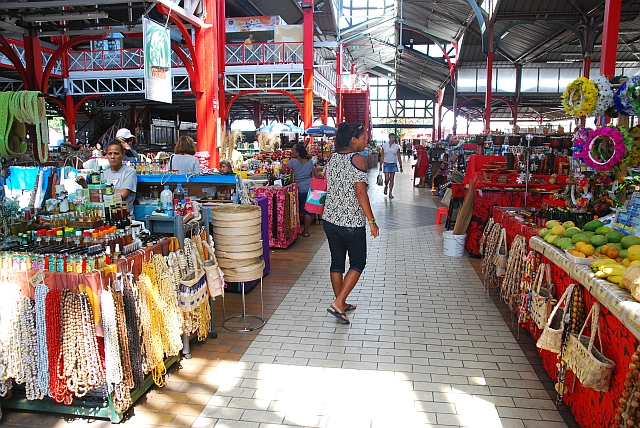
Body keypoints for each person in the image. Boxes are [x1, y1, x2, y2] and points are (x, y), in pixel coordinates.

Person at [324, 122, 379, 325]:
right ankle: (339, 303)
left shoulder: (333, 159)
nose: (366, 140)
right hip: (350, 223)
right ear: (353, 140)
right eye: (363, 137)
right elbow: (361, 192)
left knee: (337, 262)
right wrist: (372, 221)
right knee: (358, 262)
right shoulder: (358, 159)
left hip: (330, 220)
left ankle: (341, 303)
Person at [77, 140, 137, 212]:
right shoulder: (104, 173)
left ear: (123, 155)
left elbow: (123, 193)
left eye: (116, 154)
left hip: (124, 216)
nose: (112, 157)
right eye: (110, 154)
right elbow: (96, 194)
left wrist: (102, 191)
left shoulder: (129, 172)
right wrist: (85, 185)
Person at [288, 144, 315, 237]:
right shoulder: (310, 162)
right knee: (308, 210)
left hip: (297, 189)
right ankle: (306, 231)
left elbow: (284, 171)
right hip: (309, 188)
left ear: (298, 153)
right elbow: (313, 175)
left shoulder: (292, 162)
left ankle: (295, 231)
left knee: (295, 210)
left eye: (293, 151)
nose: (291, 152)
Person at [379, 133, 403, 198]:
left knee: (392, 179)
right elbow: (382, 155)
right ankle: (386, 186)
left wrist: (401, 166)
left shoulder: (396, 146)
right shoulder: (385, 146)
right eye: (392, 137)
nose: (393, 139)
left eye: (394, 137)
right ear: (389, 138)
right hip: (386, 163)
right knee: (387, 178)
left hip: (393, 164)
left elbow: (398, 156)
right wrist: (380, 165)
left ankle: (390, 193)